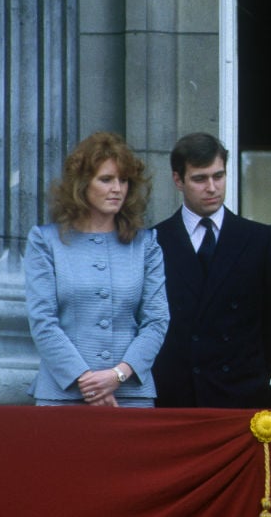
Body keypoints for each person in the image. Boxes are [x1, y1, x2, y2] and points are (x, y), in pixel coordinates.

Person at [24, 132, 169, 407]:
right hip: (63, 395)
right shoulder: (45, 241)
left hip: (131, 396)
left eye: (123, 180)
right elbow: (42, 320)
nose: (118, 188)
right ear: (82, 185)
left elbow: (157, 321)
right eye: (106, 179)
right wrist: (88, 382)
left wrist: (118, 375)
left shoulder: (146, 244)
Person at [152, 132, 271, 408]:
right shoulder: (154, 241)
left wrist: (253, 376)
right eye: (200, 178)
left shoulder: (259, 239)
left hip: (240, 397)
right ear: (178, 180)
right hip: (176, 399)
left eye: (218, 176)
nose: (212, 187)